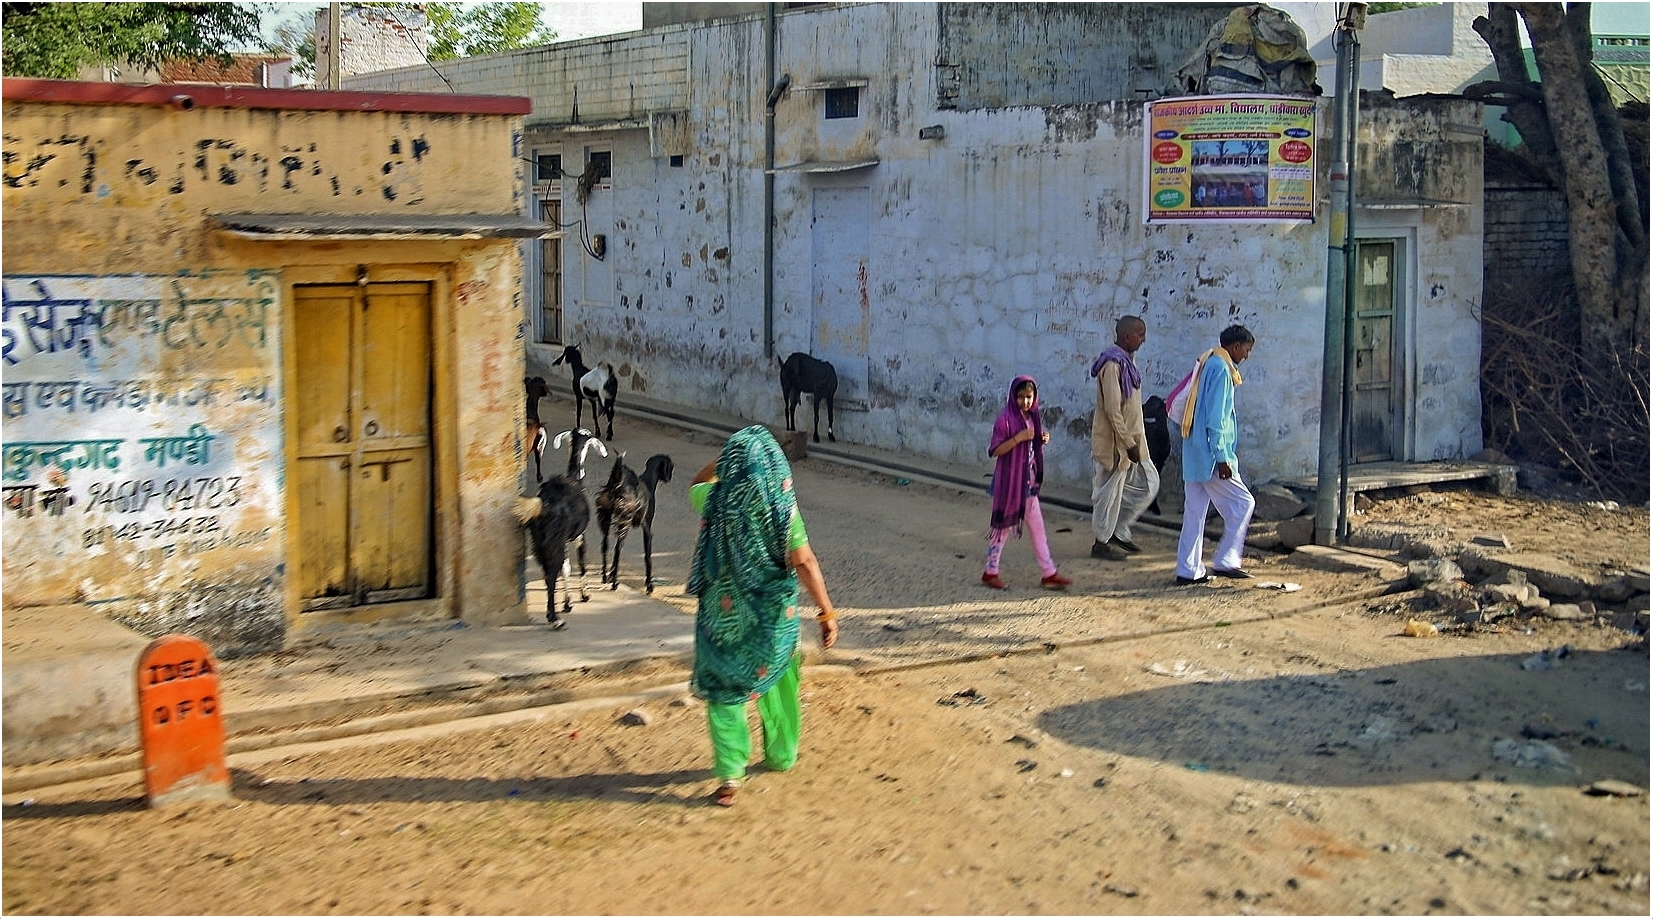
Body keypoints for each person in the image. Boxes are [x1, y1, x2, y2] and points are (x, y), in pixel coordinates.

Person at [686, 425, 839, 807]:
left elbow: (696, 483)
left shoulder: (715, 499)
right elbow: (803, 560)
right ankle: (781, 754)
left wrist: (724, 463)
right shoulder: (782, 512)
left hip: (722, 622)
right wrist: (826, 612)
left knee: (724, 691)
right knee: (780, 677)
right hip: (773, 620)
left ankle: (729, 776)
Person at [1174, 324, 1258, 585]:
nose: (1246, 355)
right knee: (1244, 503)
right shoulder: (1221, 369)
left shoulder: (1209, 361)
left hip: (1195, 452)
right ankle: (1226, 560)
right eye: (1246, 349)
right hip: (1212, 456)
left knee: (1195, 513)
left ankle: (1188, 569)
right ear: (1235, 347)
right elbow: (1216, 419)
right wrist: (1222, 458)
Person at [983, 375, 1072, 591]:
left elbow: (1031, 445)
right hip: (1009, 483)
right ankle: (990, 571)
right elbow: (995, 450)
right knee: (1003, 528)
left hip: (1028, 484)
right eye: (1021, 397)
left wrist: (1039, 439)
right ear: (1013, 397)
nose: (1025, 402)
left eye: (1029, 397)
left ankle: (1049, 572)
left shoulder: (1033, 417)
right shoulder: (1005, 419)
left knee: (1038, 529)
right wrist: (1020, 437)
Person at [1088, 315, 1160, 562]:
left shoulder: (1127, 362)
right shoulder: (1112, 364)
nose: (1143, 339)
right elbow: (1112, 409)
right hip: (1116, 443)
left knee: (1148, 483)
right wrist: (1128, 443)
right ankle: (1101, 542)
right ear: (1127, 336)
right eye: (1140, 334)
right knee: (1106, 493)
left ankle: (1117, 530)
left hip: (1133, 440)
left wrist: (1135, 440)